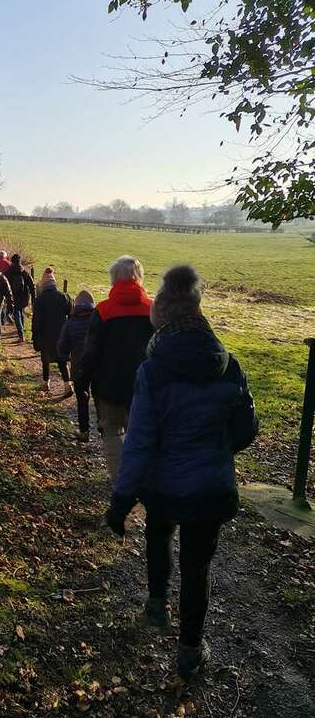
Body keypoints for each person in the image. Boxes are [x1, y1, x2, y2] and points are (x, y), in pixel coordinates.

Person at [106, 265, 258, 679]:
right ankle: (190, 650)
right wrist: (216, 450)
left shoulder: (153, 370)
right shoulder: (228, 363)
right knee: (197, 566)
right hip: (210, 486)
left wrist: (121, 499)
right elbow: (247, 429)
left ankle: (156, 607)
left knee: (158, 535)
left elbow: (139, 442)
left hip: (163, 485)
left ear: (162, 313)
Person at [81, 255, 153, 485]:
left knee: (111, 433)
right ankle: (142, 481)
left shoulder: (103, 310)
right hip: (143, 388)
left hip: (108, 387)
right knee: (140, 436)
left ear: (113, 278)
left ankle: (121, 483)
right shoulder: (153, 310)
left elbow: (90, 351)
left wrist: (82, 382)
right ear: (139, 277)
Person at [57, 291, 96, 441]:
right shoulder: (98, 320)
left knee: (82, 397)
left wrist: (65, 356)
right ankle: (104, 429)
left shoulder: (70, 323)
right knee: (99, 397)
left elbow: (62, 348)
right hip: (97, 365)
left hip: (79, 366)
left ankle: (84, 431)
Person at [32, 267, 73, 395]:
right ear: (54, 283)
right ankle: (67, 385)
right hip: (61, 334)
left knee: (45, 360)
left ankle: (45, 383)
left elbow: (36, 320)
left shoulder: (39, 300)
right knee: (62, 361)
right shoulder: (63, 297)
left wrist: (35, 336)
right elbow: (72, 313)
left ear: (43, 284)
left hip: (45, 335)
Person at [6, 254, 36, 342]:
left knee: (16, 314)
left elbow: (4, 283)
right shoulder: (25, 272)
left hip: (13, 296)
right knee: (20, 311)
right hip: (24, 296)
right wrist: (33, 299)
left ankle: (21, 335)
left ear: (12, 261)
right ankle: (21, 331)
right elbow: (32, 286)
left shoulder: (9, 272)